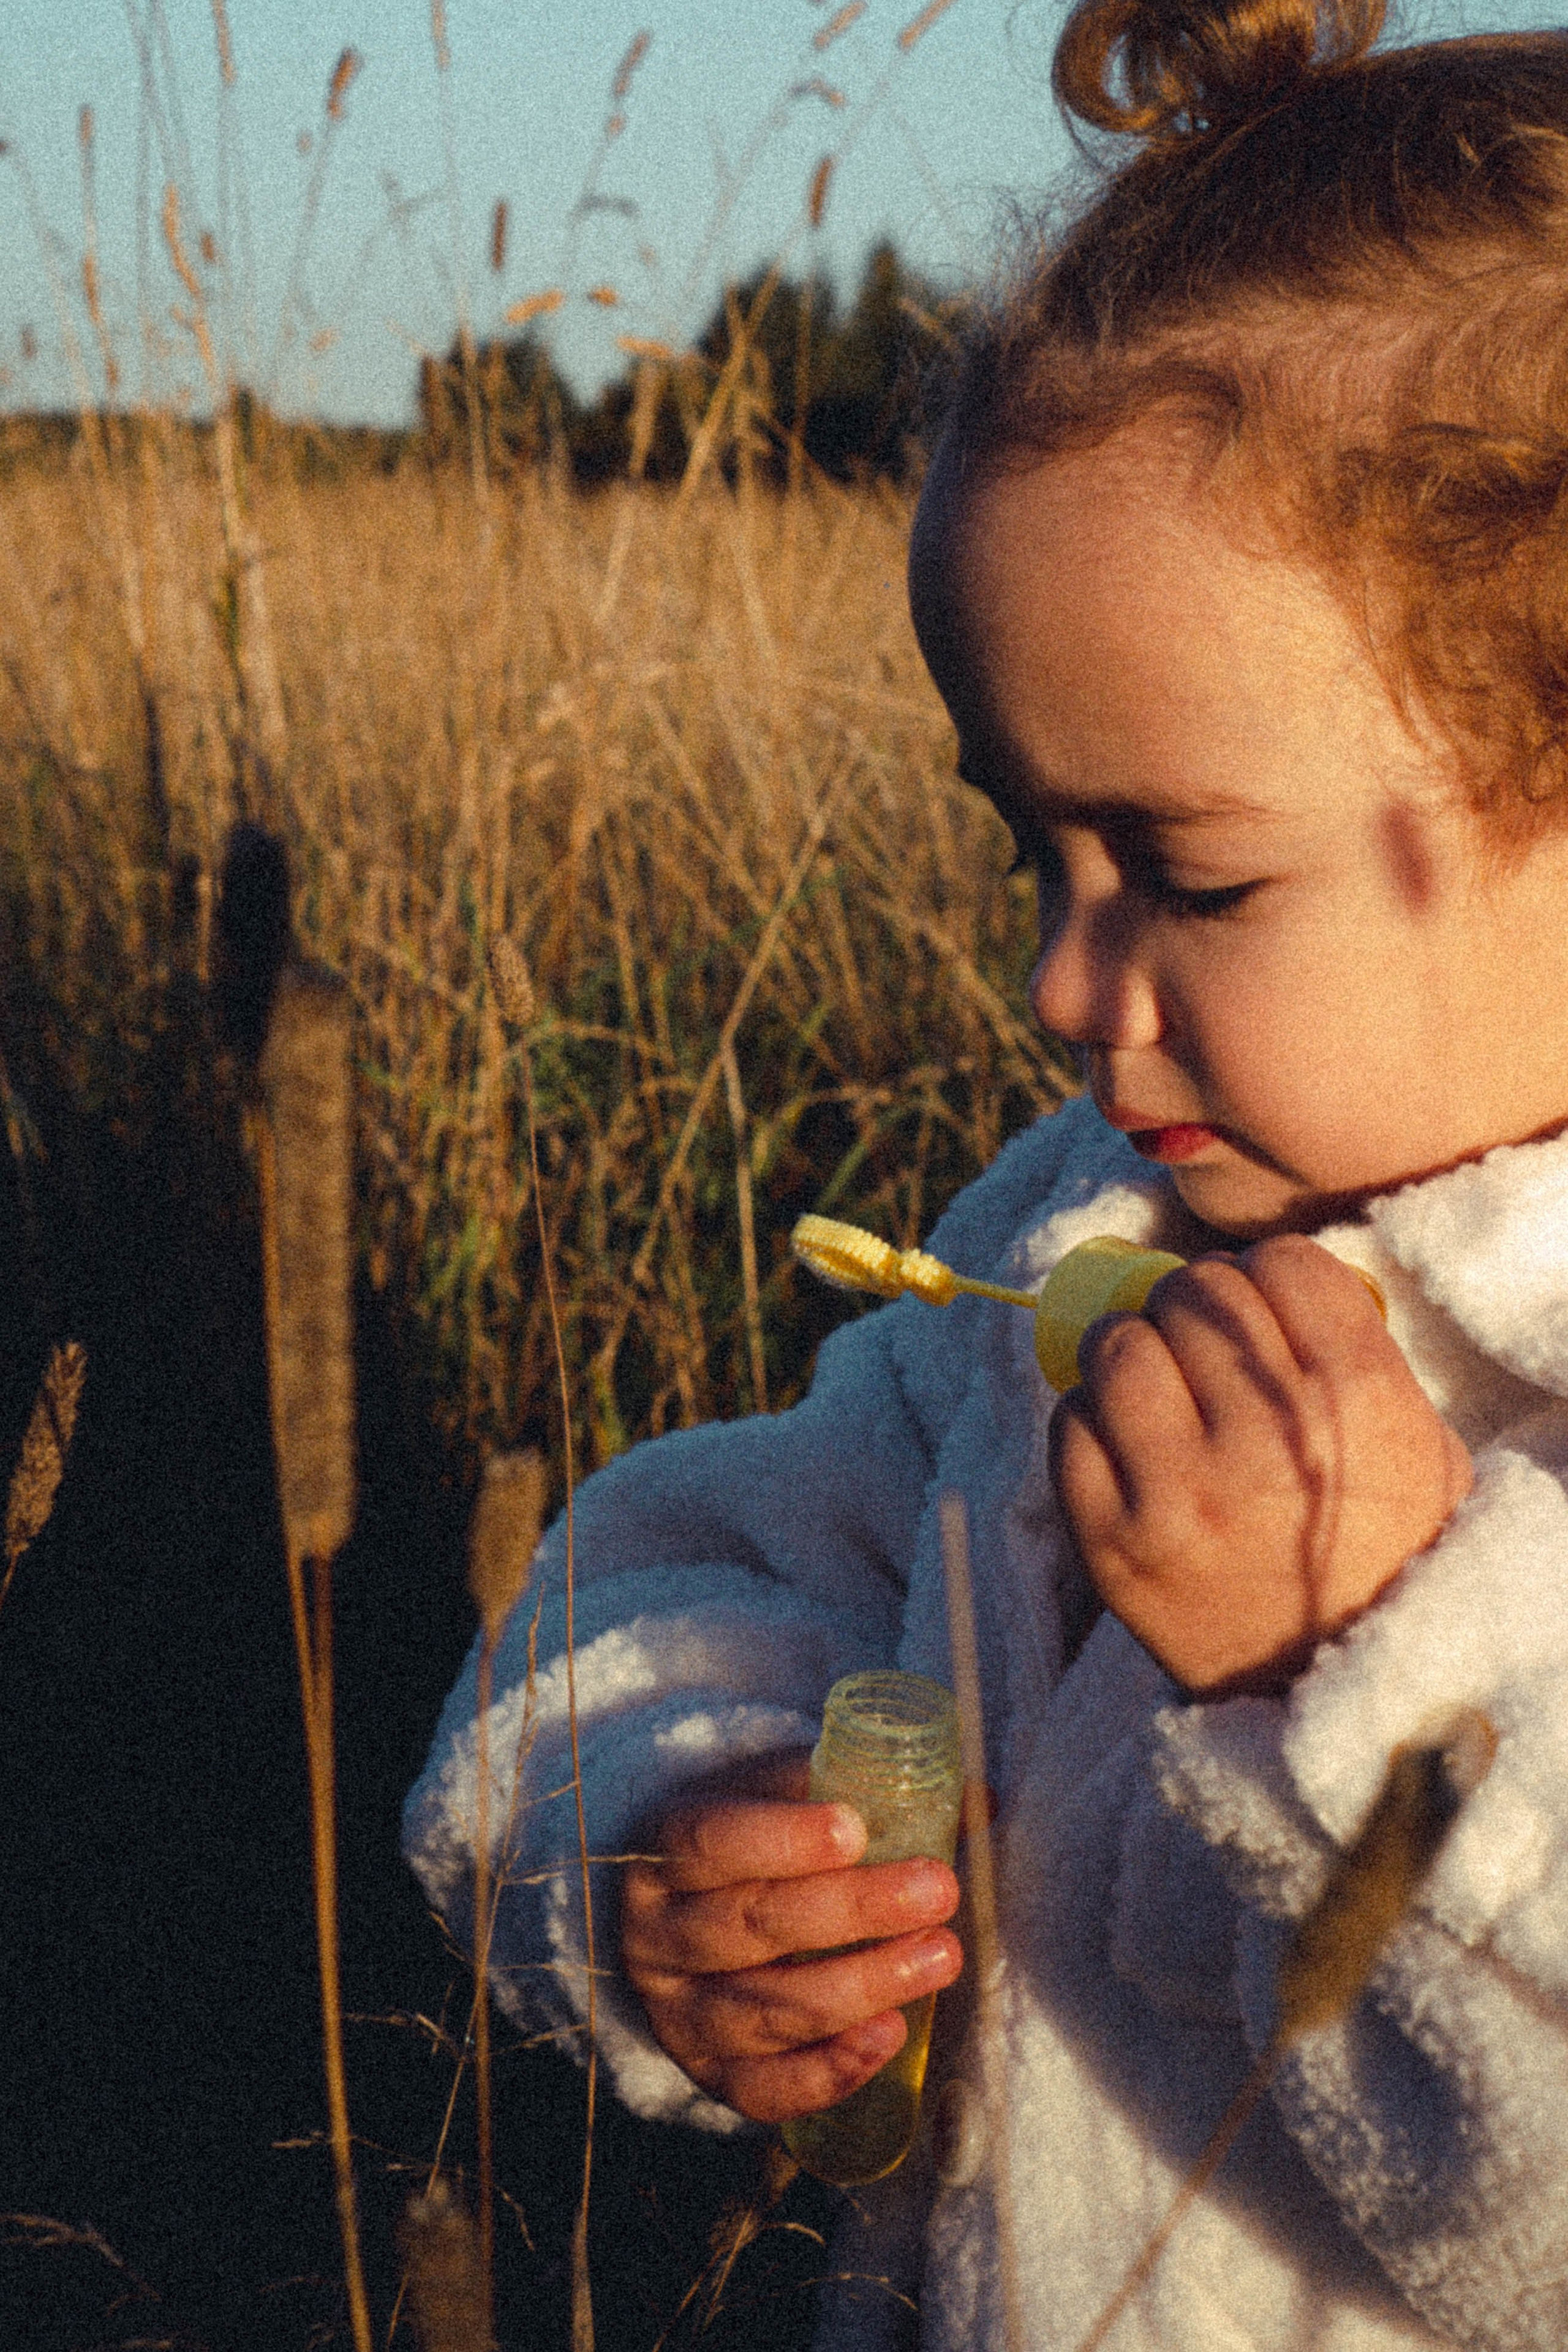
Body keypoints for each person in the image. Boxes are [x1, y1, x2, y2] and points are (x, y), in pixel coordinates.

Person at [404, 4, 1568, 2342]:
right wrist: (666, 1837)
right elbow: (679, 1561)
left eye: (1188, 875)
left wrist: (1352, 1664)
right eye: (1032, 851)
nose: (1063, 977)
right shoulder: (1073, 1245)